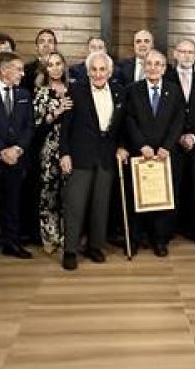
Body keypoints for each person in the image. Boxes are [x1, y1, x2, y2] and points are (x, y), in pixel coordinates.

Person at [59, 51, 125, 270]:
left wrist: (122, 147)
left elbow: (121, 126)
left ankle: (95, 246)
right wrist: (64, 153)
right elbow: (65, 127)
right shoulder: (75, 91)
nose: (98, 74)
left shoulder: (118, 92)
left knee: (101, 204)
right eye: (94, 69)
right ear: (88, 72)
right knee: (75, 205)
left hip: (106, 157)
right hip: (80, 156)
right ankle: (70, 250)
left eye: (102, 69)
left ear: (110, 71)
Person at [122, 50, 185, 256]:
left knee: (162, 199)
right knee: (138, 198)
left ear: (164, 68)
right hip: (141, 154)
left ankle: (159, 240)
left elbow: (178, 121)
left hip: (165, 155)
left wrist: (167, 146)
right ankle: (137, 238)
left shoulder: (174, 90)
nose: (153, 68)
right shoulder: (132, 90)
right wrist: (141, 145)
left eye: (158, 64)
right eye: (149, 64)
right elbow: (128, 121)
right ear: (143, 67)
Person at [0, 51, 35, 264]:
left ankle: (11, 242)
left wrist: (17, 149)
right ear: (3, 70)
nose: (22, 73)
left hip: (17, 159)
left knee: (13, 203)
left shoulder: (23, 95)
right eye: (18, 69)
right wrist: (1, 151)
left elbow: (29, 126)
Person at [166, 38, 195, 248]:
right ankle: (168, 231)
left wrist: (194, 136)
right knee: (172, 187)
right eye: (182, 51)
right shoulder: (165, 78)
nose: (186, 55)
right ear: (175, 54)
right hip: (171, 144)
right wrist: (178, 136)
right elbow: (165, 115)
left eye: (190, 52)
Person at [33, 50, 73, 254]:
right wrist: (56, 112)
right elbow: (37, 126)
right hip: (48, 150)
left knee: (69, 194)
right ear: (45, 69)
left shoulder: (73, 88)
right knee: (49, 194)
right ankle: (50, 237)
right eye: (51, 64)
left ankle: (69, 237)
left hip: (71, 150)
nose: (55, 68)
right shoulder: (41, 92)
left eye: (59, 63)